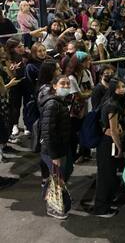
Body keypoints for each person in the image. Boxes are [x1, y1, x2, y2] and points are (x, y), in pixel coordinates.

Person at [93, 78, 125, 218]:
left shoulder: (108, 103)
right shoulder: (112, 106)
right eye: (120, 87)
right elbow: (113, 130)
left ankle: (107, 200)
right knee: (105, 175)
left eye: (124, 86)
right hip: (109, 143)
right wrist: (119, 148)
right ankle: (101, 207)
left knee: (108, 174)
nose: (123, 89)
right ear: (114, 89)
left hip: (106, 142)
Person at [39, 75, 72, 220]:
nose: (65, 86)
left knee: (58, 178)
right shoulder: (52, 104)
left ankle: (51, 200)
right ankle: (52, 208)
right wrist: (55, 156)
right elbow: (48, 133)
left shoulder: (61, 102)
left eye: (67, 84)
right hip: (52, 150)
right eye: (62, 84)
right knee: (56, 180)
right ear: (54, 86)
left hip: (60, 148)